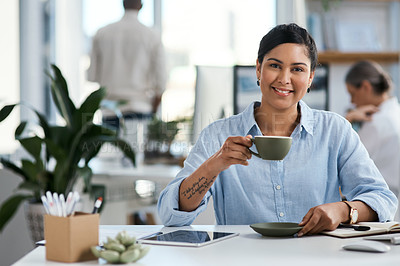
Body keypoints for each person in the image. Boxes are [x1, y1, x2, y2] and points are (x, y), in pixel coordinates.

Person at [157, 23, 397, 236]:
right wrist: (215, 164)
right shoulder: (217, 135)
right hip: (240, 260)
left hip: (317, 259)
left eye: (298, 69)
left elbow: (383, 200)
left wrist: (343, 210)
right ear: (259, 69)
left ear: (311, 77)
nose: (284, 78)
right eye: (275, 65)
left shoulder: (335, 130)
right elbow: (171, 215)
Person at [87, 0, 166, 158]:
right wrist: (154, 109)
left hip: (110, 110)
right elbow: (161, 80)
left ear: (122, 4)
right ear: (141, 6)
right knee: (137, 167)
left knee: (111, 168)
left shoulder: (102, 33)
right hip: (140, 110)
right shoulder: (152, 35)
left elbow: (92, 76)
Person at [345, 60, 400, 201]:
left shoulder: (376, 123)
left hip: (383, 204)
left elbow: (346, 167)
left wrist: (348, 119)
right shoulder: (394, 113)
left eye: (352, 94)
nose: (352, 102)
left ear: (365, 87)